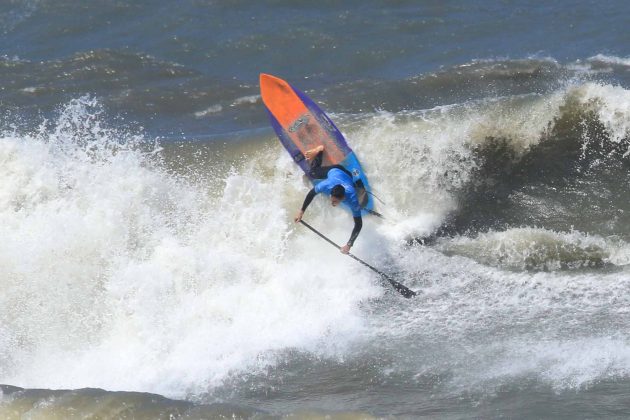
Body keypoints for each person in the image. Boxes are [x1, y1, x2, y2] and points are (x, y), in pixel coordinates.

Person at [294, 145, 362, 254]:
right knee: (312, 173)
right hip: (333, 171)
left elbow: (358, 224)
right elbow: (311, 193)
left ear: (343, 198)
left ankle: (356, 182)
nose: (332, 202)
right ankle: (319, 150)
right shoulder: (326, 185)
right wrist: (301, 211)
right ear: (330, 193)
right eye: (332, 199)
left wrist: (349, 245)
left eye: (335, 201)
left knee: (356, 190)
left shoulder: (352, 199)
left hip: (345, 173)